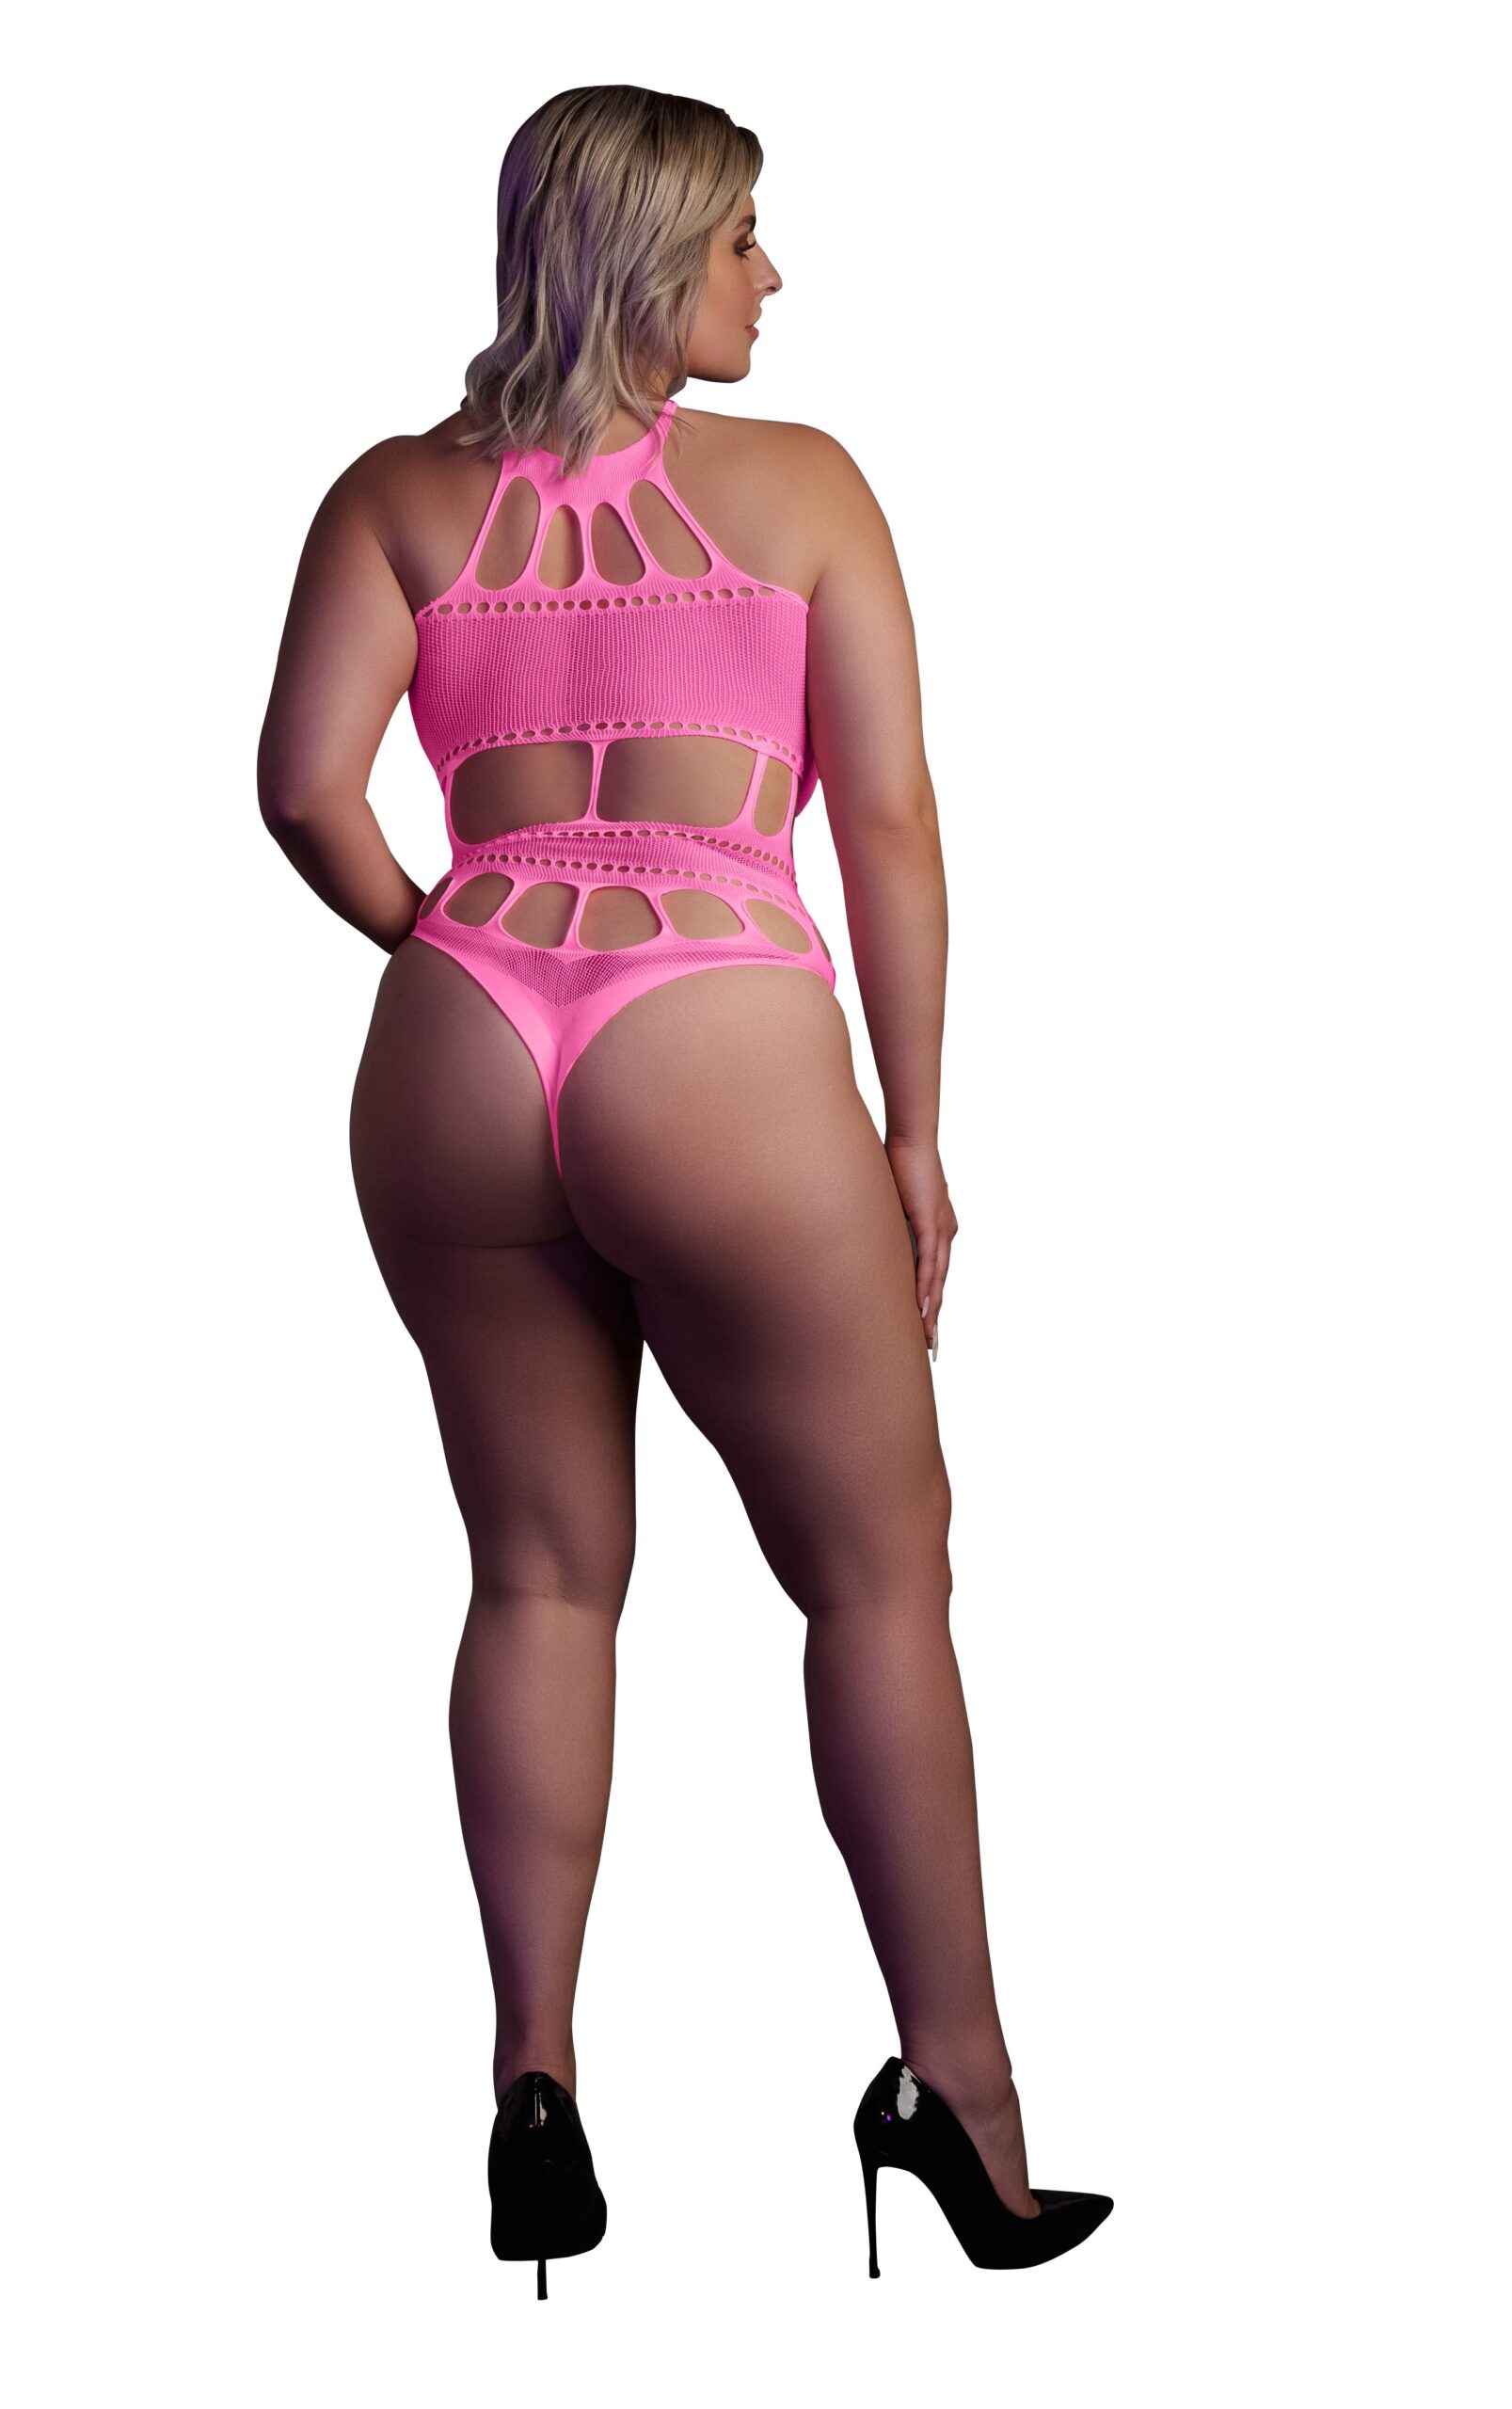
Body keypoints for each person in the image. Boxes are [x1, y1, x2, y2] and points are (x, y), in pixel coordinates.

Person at [258, 84, 1111, 2292]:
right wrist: (912, 1130)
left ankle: (533, 2075)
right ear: (646, 257)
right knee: (878, 1577)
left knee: (541, 1575)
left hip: (457, 1040)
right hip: (714, 1021)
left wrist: (452, 939)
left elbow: (303, 789)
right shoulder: (801, 486)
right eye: (739, 239)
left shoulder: (394, 497)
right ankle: (964, 2106)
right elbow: (889, 823)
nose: (770, 275)